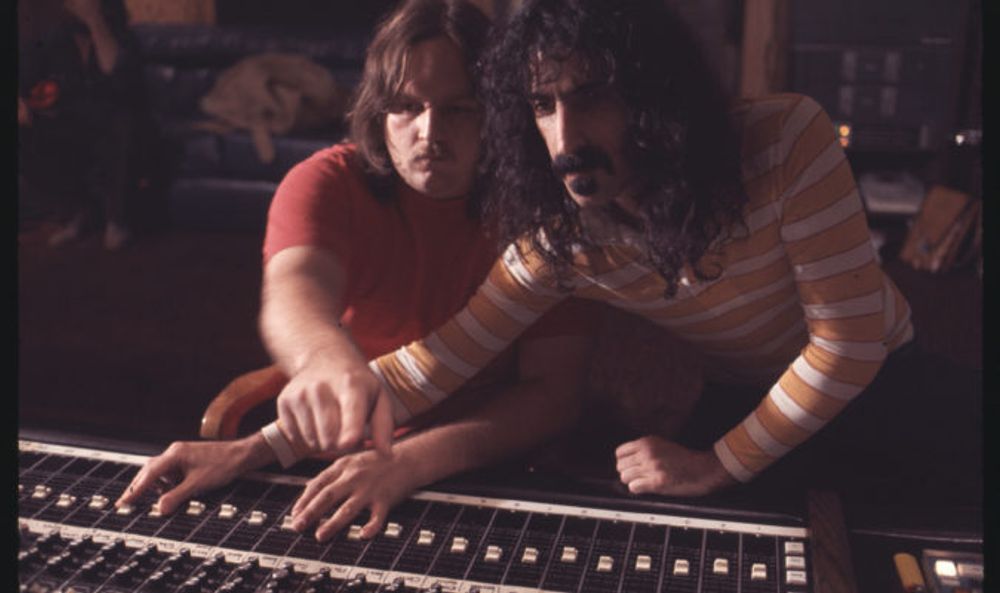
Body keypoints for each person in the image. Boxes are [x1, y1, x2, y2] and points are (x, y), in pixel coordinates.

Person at [358, 0, 972, 499]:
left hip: (883, 379)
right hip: (745, 396)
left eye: (591, 96)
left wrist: (716, 465)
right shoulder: (560, 239)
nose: (565, 139)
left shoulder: (786, 138)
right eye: (543, 105)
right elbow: (441, 360)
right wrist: (309, 419)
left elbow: (848, 347)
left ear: (653, 96)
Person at [117, 0, 595, 542]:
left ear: (497, 115)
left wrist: (410, 461)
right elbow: (296, 291)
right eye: (406, 107)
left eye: (459, 109)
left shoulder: (541, 215)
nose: (429, 132)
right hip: (335, 459)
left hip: (479, 468)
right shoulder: (327, 181)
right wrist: (319, 365)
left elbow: (552, 394)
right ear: (377, 111)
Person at [18, 0, 145, 250]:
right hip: (73, 124)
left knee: (120, 121)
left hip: (118, 124)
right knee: (26, 132)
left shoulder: (121, 38)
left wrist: (96, 24)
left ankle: (117, 219)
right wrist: (19, 101)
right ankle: (77, 212)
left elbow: (120, 81)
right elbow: (26, 75)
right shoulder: (56, 39)